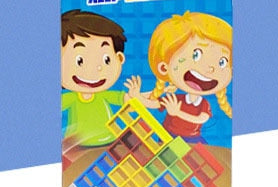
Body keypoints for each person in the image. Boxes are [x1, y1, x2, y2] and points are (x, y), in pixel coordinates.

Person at [130, 12, 232, 143]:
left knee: (202, 152)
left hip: (192, 138)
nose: (211, 68)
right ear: (164, 68)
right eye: (196, 55)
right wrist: (137, 96)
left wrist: (177, 112)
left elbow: (201, 119)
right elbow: (154, 104)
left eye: (222, 62)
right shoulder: (176, 99)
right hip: (169, 137)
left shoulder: (203, 104)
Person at [61, 10, 136, 148]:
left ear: (119, 59)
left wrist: (133, 95)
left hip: (110, 141)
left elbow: (127, 102)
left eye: (106, 59)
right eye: (79, 61)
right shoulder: (71, 98)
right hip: (80, 146)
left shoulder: (104, 95)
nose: (94, 69)